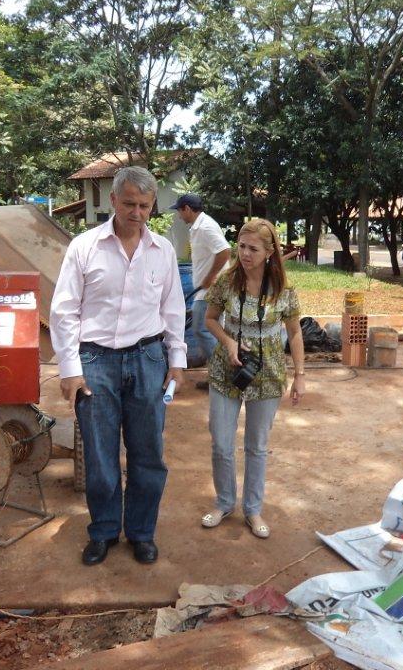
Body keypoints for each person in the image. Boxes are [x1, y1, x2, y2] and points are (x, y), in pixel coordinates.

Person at [50, 166, 187, 566]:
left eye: (144, 205)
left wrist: (177, 360)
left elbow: (173, 309)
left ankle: (141, 532)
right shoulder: (84, 247)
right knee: (99, 454)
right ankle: (105, 530)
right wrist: (70, 368)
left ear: (152, 205)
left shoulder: (162, 251)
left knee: (148, 453)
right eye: (129, 204)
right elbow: (64, 311)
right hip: (96, 362)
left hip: (148, 359)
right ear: (112, 200)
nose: (137, 213)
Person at [200, 218, 305, 540]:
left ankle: (253, 509)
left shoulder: (284, 289)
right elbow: (210, 319)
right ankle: (224, 502)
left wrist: (300, 376)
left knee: (256, 447)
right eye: (242, 247)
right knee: (221, 442)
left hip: (268, 372)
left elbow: (295, 332)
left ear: (270, 252)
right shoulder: (226, 281)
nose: (245, 254)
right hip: (227, 370)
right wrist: (228, 341)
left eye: (253, 249)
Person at [170, 193, 231, 378]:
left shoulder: (205, 227)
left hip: (211, 290)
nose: (179, 216)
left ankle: (222, 376)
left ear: (187, 209)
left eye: (180, 211)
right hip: (207, 289)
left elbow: (225, 251)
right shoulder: (198, 226)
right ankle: (218, 374)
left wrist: (211, 276)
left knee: (201, 328)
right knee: (212, 331)